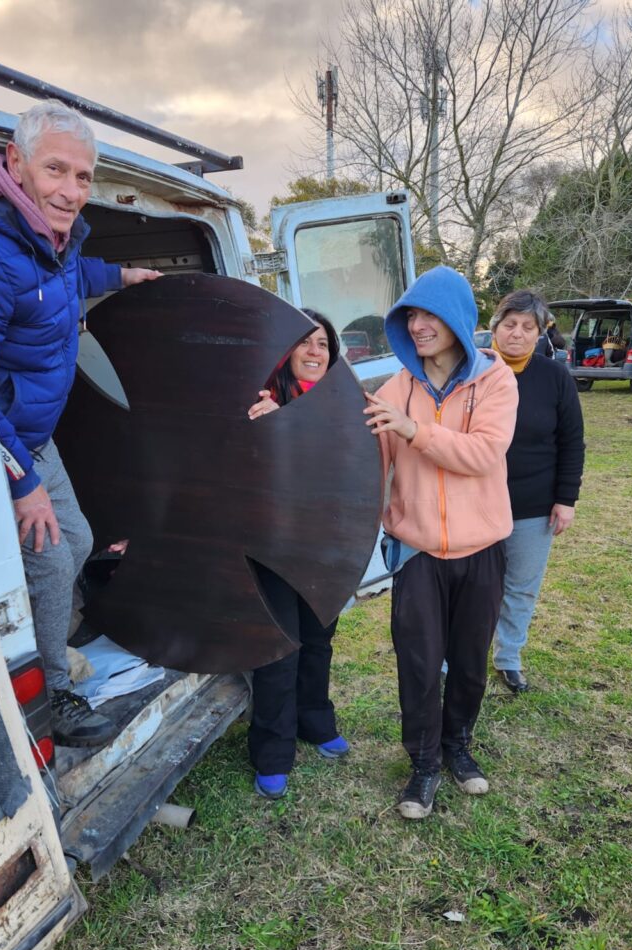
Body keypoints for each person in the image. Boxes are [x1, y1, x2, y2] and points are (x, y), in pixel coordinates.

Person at [0, 100, 160, 747]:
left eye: (83, 177)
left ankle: (46, 640)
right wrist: (20, 482)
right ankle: (52, 695)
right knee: (53, 561)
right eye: (56, 170)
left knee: (80, 540)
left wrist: (121, 276)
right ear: (15, 162)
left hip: (34, 436)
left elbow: (65, 278)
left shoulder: (45, 237)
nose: (71, 190)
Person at [363, 266, 518, 820]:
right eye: (411, 315)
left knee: (470, 663)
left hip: (482, 549)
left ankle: (458, 748)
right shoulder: (393, 389)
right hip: (417, 551)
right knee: (420, 664)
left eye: (430, 314)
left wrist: (413, 430)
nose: (419, 325)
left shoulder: (497, 382)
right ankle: (424, 764)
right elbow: (358, 456)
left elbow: (483, 455)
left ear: (457, 319)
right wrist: (288, 414)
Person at [246, 311, 350, 799]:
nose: (314, 351)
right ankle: (272, 750)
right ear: (286, 352)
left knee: (318, 640)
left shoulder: (345, 407)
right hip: (275, 546)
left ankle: (315, 721)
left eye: (323, 344)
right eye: (304, 343)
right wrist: (266, 428)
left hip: (326, 546)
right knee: (279, 648)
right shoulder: (262, 402)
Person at [489, 290, 585, 693]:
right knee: (471, 588)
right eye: (510, 324)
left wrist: (566, 499)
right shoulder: (472, 370)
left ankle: (508, 657)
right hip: (475, 504)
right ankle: (454, 658)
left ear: (539, 332)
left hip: (532, 506)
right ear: (495, 327)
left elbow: (572, 440)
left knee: (520, 587)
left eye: (527, 327)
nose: (517, 334)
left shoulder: (554, 377)